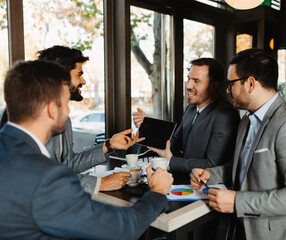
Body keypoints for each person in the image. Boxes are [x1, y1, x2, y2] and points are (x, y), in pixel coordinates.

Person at [0, 60, 173, 239]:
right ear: (52, 110)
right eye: (66, 102)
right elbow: (122, 229)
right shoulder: (46, 178)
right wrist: (157, 192)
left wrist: (108, 145)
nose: (68, 110)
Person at [190, 49, 286, 240]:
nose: (227, 91)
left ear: (250, 83)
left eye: (230, 84)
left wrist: (237, 202)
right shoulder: (246, 121)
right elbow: (245, 167)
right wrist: (211, 174)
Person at [0, 45, 133, 194]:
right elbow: (41, 177)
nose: (83, 81)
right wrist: (99, 183)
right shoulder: (29, 115)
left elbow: (68, 164)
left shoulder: (62, 117)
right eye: (79, 74)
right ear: (60, 76)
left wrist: (108, 145)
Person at [133, 58, 240, 173]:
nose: (188, 86)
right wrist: (148, 125)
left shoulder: (226, 115)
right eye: (189, 79)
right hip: (182, 180)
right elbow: (173, 143)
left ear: (214, 86)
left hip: (205, 186)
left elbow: (212, 164)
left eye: (196, 81)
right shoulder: (191, 108)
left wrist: (171, 161)